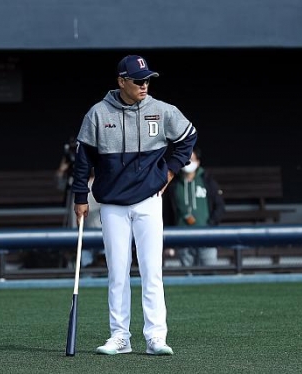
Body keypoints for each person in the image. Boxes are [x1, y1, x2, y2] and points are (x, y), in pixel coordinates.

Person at [72, 55, 197, 356]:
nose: (144, 85)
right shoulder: (98, 114)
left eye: (147, 80)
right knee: (118, 271)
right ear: (121, 81)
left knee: (152, 270)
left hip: (149, 201)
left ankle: (156, 337)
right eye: (138, 80)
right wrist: (79, 197)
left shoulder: (162, 110)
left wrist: (168, 172)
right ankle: (120, 337)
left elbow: (188, 137)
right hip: (112, 204)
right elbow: (82, 160)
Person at [163, 147, 226, 266]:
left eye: (191, 159)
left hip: (207, 237)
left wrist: (210, 225)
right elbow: (168, 214)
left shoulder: (207, 181)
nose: (188, 163)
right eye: (186, 159)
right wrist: (169, 243)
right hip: (182, 238)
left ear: (198, 162)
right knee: (188, 276)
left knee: (210, 273)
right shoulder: (173, 185)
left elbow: (220, 206)